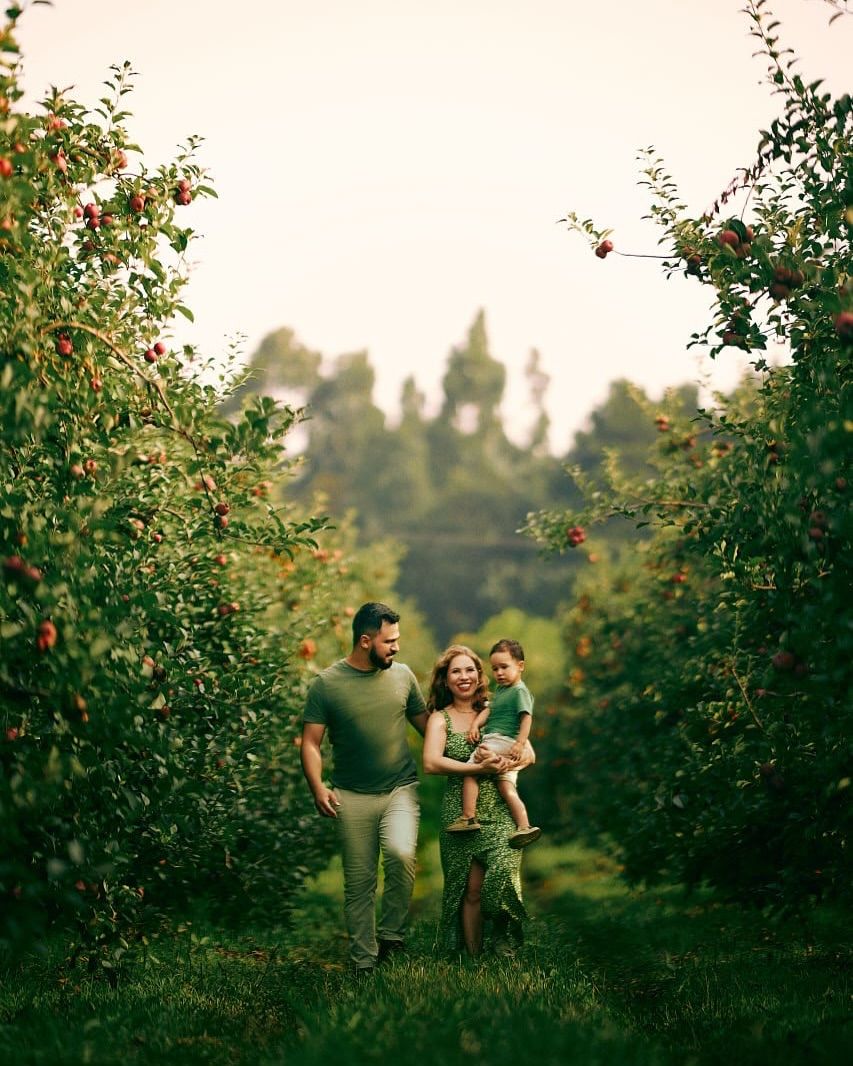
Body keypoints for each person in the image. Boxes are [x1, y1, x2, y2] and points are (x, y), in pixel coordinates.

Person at [300, 602, 428, 974]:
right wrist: (317, 787)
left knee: (401, 855)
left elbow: (431, 728)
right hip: (350, 795)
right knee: (359, 882)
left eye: (398, 640)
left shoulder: (403, 677)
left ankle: (392, 937)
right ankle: (363, 962)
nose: (396, 648)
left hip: (399, 789)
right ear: (365, 640)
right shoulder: (327, 684)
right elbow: (310, 742)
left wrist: (481, 737)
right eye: (390, 641)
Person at [422, 644, 533, 957]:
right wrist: (476, 767)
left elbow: (529, 754)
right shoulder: (439, 719)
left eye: (470, 669)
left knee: (501, 877)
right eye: (455, 671)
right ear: (445, 679)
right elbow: (431, 763)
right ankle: (473, 956)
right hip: (461, 812)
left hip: (499, 808)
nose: (464, 676)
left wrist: (505, 763)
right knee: (470, 891)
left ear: (479, 675)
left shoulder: (498, 708)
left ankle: (504, 943)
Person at [445, 638, 541, 849]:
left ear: (520, 666)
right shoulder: (501, 691)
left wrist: (520, 743)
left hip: (502, 741)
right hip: (504, 744)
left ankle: (469, 817)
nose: (499, 673)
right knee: (506, 787)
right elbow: (488, 711)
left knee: (472, 770)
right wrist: (475, 726)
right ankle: (524, 827)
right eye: (495, 668)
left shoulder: (519, 691)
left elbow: (526, 718)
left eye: (504, 667)